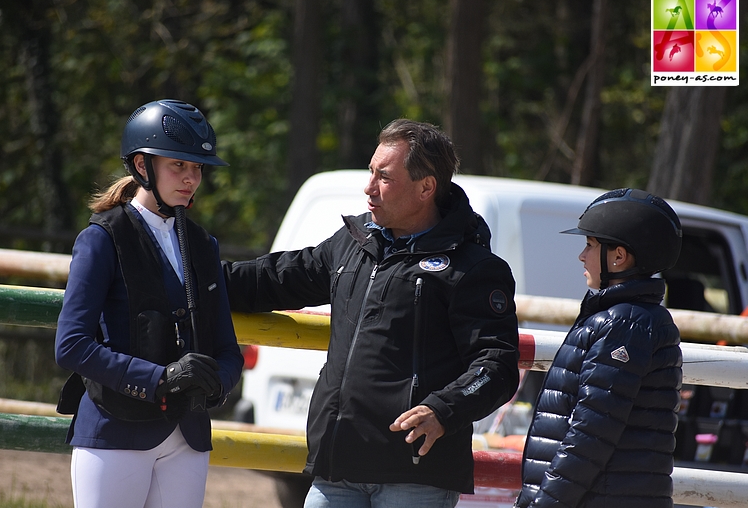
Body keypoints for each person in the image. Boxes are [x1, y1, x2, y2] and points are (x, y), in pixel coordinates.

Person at [223, 119, 520, 507]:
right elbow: (268, 279)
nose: (368, 187)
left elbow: (496, 365)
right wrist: (182, 273)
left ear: (426, 188)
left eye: (384, 177)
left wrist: (443, 410)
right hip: (337, 468)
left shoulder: (475, 268)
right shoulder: (352, 244)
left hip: (415, 477)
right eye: (371, 172)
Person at [55, 99, 244, 508]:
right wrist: (160, 378)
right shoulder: (102, 238)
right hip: (115, 430)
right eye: (179, 165)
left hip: (188, 437)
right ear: (142, 166)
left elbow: (228, 349)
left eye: (197, 168)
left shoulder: (203, 245)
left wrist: (217, 383)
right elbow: (71, 344)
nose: (191, 178)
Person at [514, 188, 684, 508]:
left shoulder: (624, 324)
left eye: (590, 245)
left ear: (619, 256)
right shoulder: (629, 318)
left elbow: (590, 434)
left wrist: (545, 504)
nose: (582, 255)